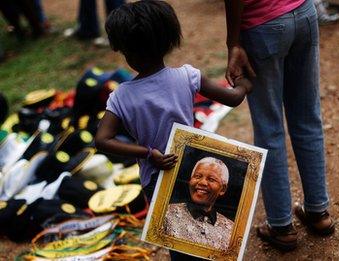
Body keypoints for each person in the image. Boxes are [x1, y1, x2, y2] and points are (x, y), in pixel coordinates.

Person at [94, 0, 251, 251]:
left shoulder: (122, 96)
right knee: (207, 239)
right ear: (169, 40)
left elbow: (102, 140)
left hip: (155, 177)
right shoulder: (187, 76)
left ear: (122, 48)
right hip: (189, 169)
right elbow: (233, 98)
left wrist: (147, 153)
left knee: (176, 239)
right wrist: (244, 83)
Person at [225, 0, 335, 251]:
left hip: (262, 25)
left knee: (269, 129)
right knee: (307, 117)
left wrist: (233, 42)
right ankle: (319, 213)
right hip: (304, 13)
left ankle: (281, 227)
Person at [164, 157, 234, 251]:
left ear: (223, 189)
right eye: (197, 176)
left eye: (211, 179)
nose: (202, 182)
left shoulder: (231, 229)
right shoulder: (165, 213)